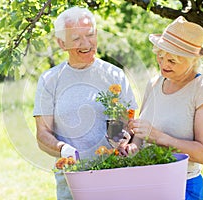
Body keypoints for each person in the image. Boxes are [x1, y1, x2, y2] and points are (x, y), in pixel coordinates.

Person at [33, 6, 137, 200]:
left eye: (90, 35)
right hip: (72, 184)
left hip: (114, 179)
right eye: (76, 39)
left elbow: (127, 122)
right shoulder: (50, 80)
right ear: (61, 43)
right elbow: (42, 134)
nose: (86, 43)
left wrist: (118, 141)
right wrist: (63, 149)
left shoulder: (114, 75)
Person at [124, 16, 203, 200]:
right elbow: (141, 135)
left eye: (172, 61)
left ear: (192, 60)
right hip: (145, 183)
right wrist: (131, 147)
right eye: (160, 57)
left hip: (181, 186)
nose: (163, 64)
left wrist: (159, 137)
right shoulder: (154, 83)